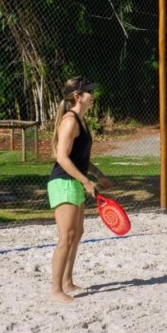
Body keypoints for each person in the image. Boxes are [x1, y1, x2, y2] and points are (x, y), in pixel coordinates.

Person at [47, 76, 111, 303]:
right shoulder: (70, 121)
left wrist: (98, 174)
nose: (93, 95)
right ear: (78, 97)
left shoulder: (81, 121)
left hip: (73, 181)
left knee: (78, 233)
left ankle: (67, 282)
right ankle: (56, 291)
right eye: (89, 92)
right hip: (63, 182)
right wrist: (86, 182)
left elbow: (80, 158)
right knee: (66, 236)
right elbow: (62, 158)